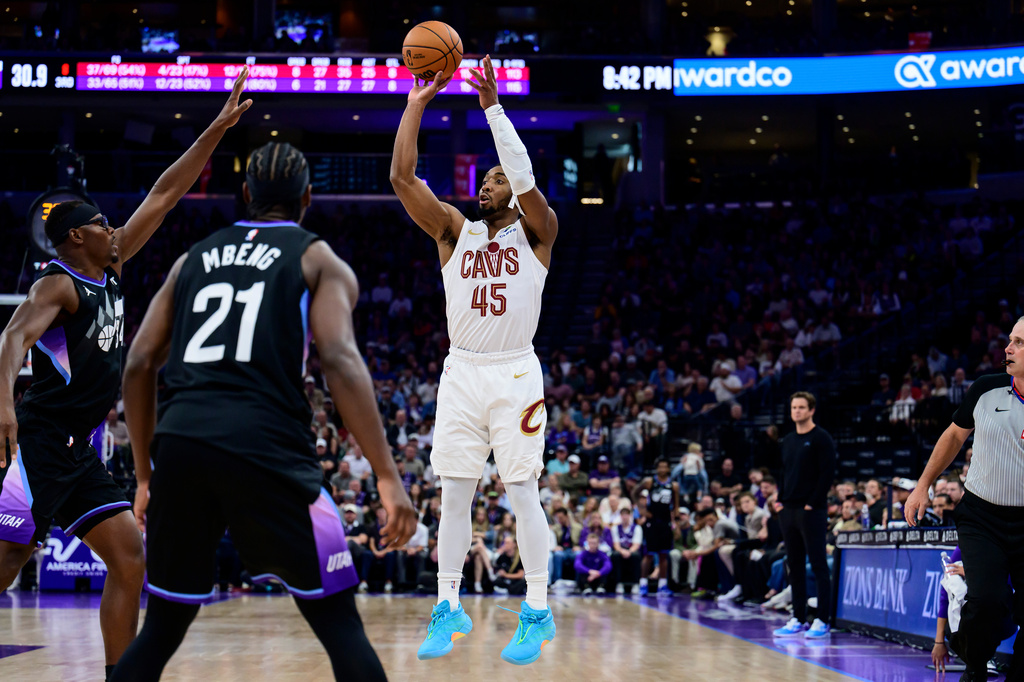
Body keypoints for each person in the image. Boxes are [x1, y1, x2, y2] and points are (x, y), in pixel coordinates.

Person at [111, 140, 417, 682]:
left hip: (181, 443)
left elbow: (138, 363)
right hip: (266, 444)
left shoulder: (190, 260)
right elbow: (340, 361)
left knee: (160, 628)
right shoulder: (316, 257)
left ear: (245, 192)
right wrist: (388, 476)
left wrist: (143, 475)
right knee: (339, 626)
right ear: (308, 197)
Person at [0, 70, 253, 682]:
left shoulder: (109, 267)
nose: (116, 229)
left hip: (80, 451)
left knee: (129, 557)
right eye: (105, 223)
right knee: (5, 565)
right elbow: (11, 338)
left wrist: (216, 129)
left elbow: (164, 194)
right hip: (40, 443)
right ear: (77, 236)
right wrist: (3, 406)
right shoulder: (57, 284)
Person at [391, 56, 558, 665]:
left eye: (495, 180)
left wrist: (493, 110)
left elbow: (525, 177)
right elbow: (402, 179)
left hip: (515, 372)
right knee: (454, 494)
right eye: (483, 180)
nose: (485, 186)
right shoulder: (453, 232)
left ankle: (536, 610)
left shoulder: (538, 232)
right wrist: (415, 105)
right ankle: (448, 604)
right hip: (461, 371)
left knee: (522, 492)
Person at [905, 317, 1024, 682]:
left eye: (1019, 343)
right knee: (985, 600)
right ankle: (974, 669)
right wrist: (923, 484)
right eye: (1010, 340)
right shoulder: (986, 388)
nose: (1008, 348)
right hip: (982, 516)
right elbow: (955, 437)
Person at [772, 391, 836, 640]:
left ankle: (822, 620)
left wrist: (812, 503)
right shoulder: (788, 440)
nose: (796, 411)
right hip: (787, 509)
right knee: (794, 564)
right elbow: (783, 472)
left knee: (818, 564)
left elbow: (827, 474)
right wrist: (780, 500)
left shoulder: (821, 438)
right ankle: (797, 618)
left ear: (811, 410)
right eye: (793, 407)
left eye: (801, 407)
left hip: (811, 510)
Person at [633, 458, 679, 596]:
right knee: (649, 554)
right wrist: (642, 510)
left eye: (665, 466)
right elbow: (635, 493)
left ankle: (662, 586)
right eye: (660, 466)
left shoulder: (673, 485)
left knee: (663, 555)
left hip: (665, 522)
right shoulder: (650, 482)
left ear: (669, 469)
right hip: (652, 522)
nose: (662, 469)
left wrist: (675, 524)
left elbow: (676, 506)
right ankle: (643, 584)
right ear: (656, 468)